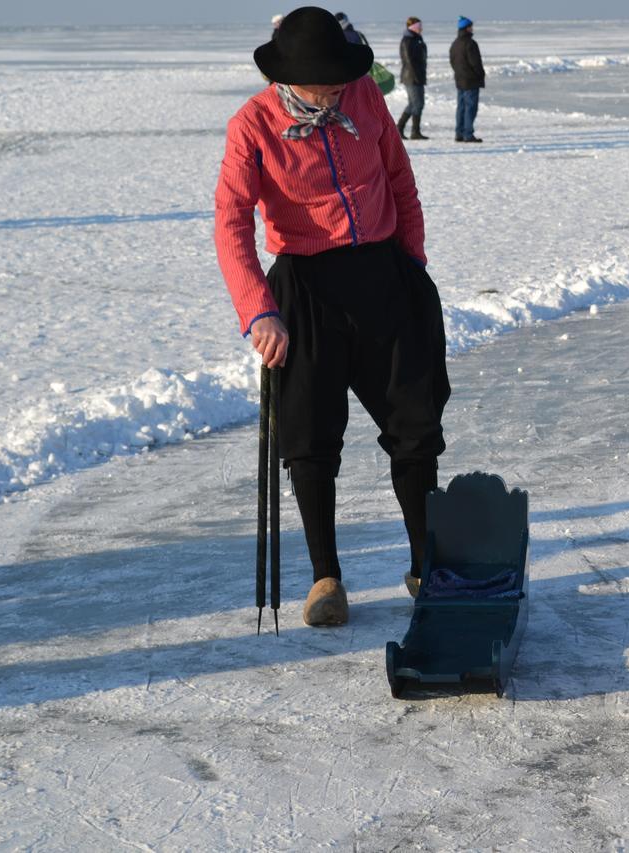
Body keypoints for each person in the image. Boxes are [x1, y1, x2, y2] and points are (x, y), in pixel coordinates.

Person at [214, 7, 450, 625]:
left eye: (341, 81)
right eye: (325, 84)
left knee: (415, 423)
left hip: (382, 274)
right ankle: (327, 579)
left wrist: (411, 263)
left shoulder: (365, 95)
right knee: (311, 438)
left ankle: (427, 563)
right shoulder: (252, 126)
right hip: (305, 288)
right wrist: (258, 311)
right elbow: (232, 225)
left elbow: (400, 180)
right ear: (291, 78)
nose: (335, 91)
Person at [449, 16, 485, 143]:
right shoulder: (470, 43)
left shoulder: (455, 43)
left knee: (461, 107)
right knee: (470, 108)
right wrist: (480, 75)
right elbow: (475, 63)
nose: (472, 29)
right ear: (466, 28)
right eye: (470, 26)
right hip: (471, 81)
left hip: (460, 80)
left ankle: (459, 133)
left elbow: (452, 62)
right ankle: (468, 134)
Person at [398, 17, 428, 140]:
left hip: (417, 75)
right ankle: (409, 130)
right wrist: (416, 76)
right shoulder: (408, 40)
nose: (421, 28)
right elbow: (409, 60)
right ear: (413, 27)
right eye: (419, 26)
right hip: (411, 77)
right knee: (417, 104)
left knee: (414, 104)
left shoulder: (417, 39)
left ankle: (404, 129)